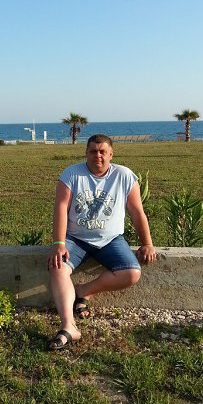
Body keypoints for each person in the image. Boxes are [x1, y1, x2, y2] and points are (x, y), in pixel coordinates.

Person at [47, 134, 156, 350]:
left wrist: (147, 243)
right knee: (57, 267)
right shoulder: (71, 174)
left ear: (111, 154)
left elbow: (136, 212)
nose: (98, 155)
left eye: (102, 151)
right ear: (86, 153)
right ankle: (69, 326)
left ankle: (83, 291)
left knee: (132, 273)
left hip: (110, 239)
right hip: (76, 238)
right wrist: (59, 243)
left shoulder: (124, 176)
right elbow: (60, 208)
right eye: (93, 151)